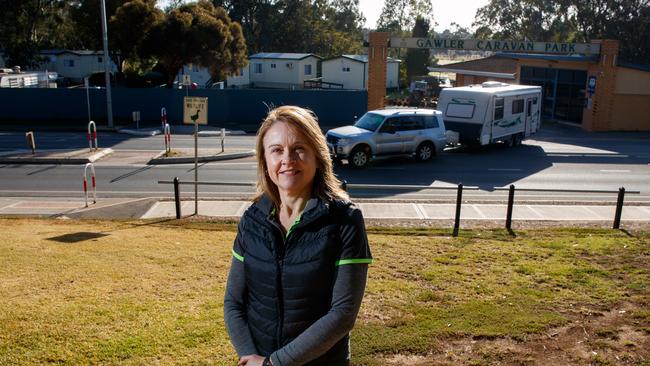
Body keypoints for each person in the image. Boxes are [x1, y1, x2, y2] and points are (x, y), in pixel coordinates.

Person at [224, 105, 372, 366]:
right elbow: (234, 302)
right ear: (265, 160)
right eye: (277, 150)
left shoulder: (345, 220)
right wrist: (250, 356)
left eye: (299, 149)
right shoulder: (252, 221)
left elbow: (343, 314)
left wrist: (275, 363)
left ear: (317, 155)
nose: (287, 160)